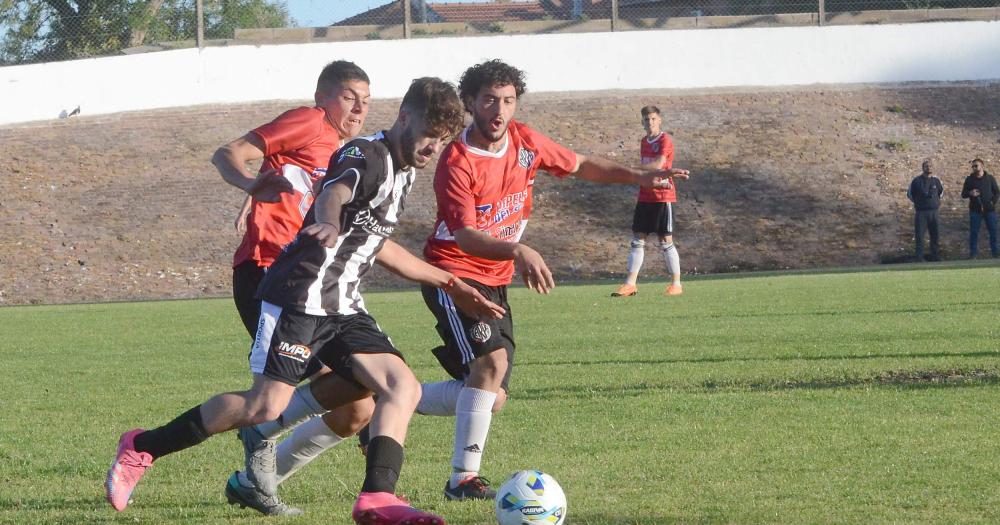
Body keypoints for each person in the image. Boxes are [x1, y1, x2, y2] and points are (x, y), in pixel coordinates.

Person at [106, 77, 503, 525]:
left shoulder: (404, 170)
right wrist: (328, 222)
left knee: (401, 387)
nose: (433, 146)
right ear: (404, 117)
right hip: (299, 295)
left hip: (343, 306)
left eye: (444, 138)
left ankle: (377, 499)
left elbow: (379, 246)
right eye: (430, 133)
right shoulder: (365, 155)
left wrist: (453, 284)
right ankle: (142, 446)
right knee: (264, 406)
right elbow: (335, 192)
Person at [415, 59, 689, 500]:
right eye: (489, 100)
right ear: (469, 103)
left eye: (507, 100)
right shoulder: (457, 160)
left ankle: (386, 400)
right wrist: (519, 250)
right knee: (488, 368)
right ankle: (462, 479)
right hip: (453, 275)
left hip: (496, 276)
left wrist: (638, 175)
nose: (499, 110)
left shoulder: (525, 141)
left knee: (490, 396)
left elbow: (580, 164)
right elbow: (466, 236)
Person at [213, 60, 376, 515]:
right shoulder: (310, 121)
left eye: (366, 99)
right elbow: (229, 151)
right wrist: (251, 184)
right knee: (274, 400)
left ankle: (253, 481)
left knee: (355, 408)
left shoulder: (351, 154)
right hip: (268, 275)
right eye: (349, 96)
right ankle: (152, 446)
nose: (359, 107)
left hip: (310, 286)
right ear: (324, 96)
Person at [612, 105, 689, 297]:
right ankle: (630, 284)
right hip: (645, 195)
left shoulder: (665, 140)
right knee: (638, 239)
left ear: (660, 120)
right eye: (646, 120)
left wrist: (632, 169)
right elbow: (647, 169)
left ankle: (676, 284)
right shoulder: (644, 141)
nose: (650, 123)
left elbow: (658, 164)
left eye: (653, 119)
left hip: (664, 197)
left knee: (665, 240)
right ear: (642, 122)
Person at [961, 158, 999, 258]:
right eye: (973, 166)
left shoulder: (990, 178)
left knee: (993, 231)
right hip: (975, 211)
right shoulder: (969, 179)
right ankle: (973, 254)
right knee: (974, 232)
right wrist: (970, 193)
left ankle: (995, 253)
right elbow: (963, 194)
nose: (974, 168)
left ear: (982, 166)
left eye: (976, 165)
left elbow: (997, 192)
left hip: (989, 211)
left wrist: (992, 203)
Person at [907, 159, 944, 262]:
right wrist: (919, 203)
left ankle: (935, 257)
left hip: (934, 212)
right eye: (926, 166)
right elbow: (910, 194)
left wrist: (934, 202)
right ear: (923, 168)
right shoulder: (916, 181)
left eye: (930, 166)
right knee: (920, 236)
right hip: (921, 212)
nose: (929, 168)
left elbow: (940, 193)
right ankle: (919, 257)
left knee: (935, 235)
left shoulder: (936, 181)